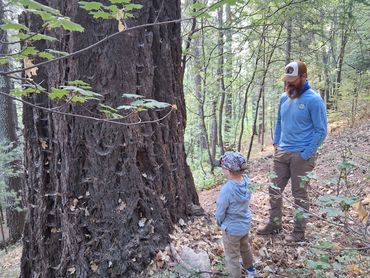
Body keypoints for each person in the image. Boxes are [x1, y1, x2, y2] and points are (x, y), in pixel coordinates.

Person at [257, 61, 327, 242]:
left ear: (303, 77)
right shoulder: (283, 98)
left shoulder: (314, 100)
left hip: (301, 155)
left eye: (293, 80)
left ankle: (298, 232)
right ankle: (274, 223)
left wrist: (306, 153)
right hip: (282, 152)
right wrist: (276, 144)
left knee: (299, 194)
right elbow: (280, 122)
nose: (288, 84)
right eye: (286, 80)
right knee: (274, 189)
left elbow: (321, 130)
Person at [215, 151, 257, 278]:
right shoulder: (247, 182)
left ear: (228, 170)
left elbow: (220, 210)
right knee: (245, 247)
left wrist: (219, 221)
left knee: (232, 257)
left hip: (231, 229)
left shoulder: (227, 189)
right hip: (244, 224)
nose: (222, 170)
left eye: (223, 168)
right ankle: (251, 271)